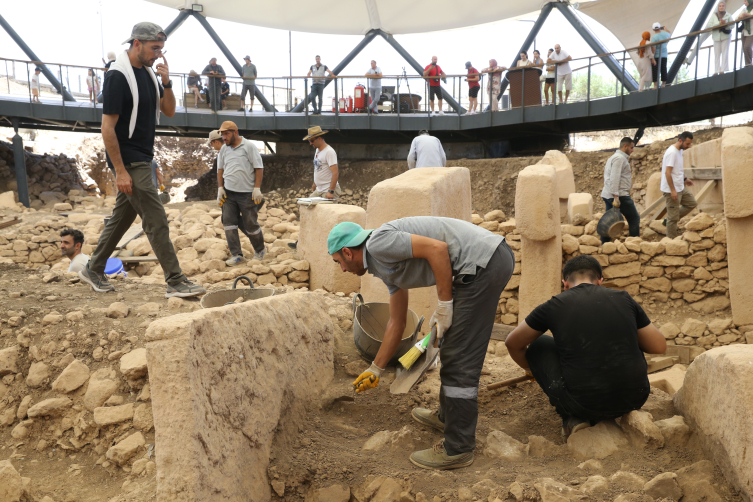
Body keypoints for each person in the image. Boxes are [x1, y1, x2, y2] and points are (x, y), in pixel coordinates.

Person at [329, 217, 514, 469]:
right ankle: (447, 416)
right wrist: (376, 368)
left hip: (484, 263)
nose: (341, 269)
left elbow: (437, 249)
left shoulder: (379, 243)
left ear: (347, 252)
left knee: (461, 357)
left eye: (338, 262)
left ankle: (458, 448)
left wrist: (445, 304)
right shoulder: (382, 264)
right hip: (479, 265)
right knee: (449, 346)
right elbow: (396, 321)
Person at [79, 22, 205, 299]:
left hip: (144, 157)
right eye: (154, 48)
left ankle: (94, 268)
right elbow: (107, 129)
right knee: (156, 218)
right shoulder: (117, 77)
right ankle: (175, 280)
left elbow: (169, 111)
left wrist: (167, 82)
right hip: (130, 161)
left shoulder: (148, 73)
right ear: (137, 43)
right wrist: (120, 171)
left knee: (122, 218)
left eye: (161, 49)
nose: (158, 55)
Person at [505, 255, 666, 437]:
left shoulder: (553, 306)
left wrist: (532, 370)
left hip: (584, 405)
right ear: (600, 281)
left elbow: (512, 343)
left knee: (539, 343)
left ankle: (572, 418)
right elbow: (659, 347)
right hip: (636, 398)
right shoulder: (624, 298)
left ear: (565, 283)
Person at [216, 121, 265, 265]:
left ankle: (260, 250)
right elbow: (220, 170)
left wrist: (257, 188)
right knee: (229, 223)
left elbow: (258, 167)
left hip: (246, 194)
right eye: (222, 135)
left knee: (250, 224)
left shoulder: (248, 146)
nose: (224, 138)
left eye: (226, 134)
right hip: (229, 194)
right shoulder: (224, 149)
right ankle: (237, 254)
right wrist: (220, 188)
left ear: (235, 133)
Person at [600, 137, 639, 243]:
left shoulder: (614, 157)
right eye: (631, 148)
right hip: (619, 195)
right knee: (634, 218)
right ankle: (635, 244)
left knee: (609, 221)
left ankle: (605, 245)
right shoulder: (619, 159)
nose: (632, 150)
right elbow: (614, 178)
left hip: (609, 194)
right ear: (625, 146)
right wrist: (616, 197)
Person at [661, 131, 697, 239]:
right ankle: (671, 242)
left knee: (692, 203)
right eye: (687, 144)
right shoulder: (672, 153)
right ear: (680, 140)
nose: (689, 146)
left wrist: (685, 179)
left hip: (680, 186)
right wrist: (672, 190)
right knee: (672, 219)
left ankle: (669, 220)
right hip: (671, 189)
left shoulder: (680, 150)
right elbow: (667, 173)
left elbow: (677, 170)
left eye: (690, 144)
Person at [303, 126, 340, 199]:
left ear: (319, 138)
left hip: (327, 190)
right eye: (309, 141)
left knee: (326, 210)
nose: (310, 143)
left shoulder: (329, 152)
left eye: (312, 141)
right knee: (307, 205)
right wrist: (315, 183)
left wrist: (331, 191)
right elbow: (319, 168)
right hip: (319, 189)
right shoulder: (318, 150)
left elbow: (335, 173)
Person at [650, 23, 671, 88]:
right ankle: (664, 84)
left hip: (656, 55)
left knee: (655, 69)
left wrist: (652, 58)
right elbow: (669, 33)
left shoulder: (654, 38)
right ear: (660, 28)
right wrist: (666, 29)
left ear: (653, 29)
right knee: (663, 68)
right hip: (664, 55)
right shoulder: (665, 34)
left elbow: (653, 49)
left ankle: (655, 85)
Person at [738, 0, 753, 66]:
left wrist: (747, 15)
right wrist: (741, 17)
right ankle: (748, 63)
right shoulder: (744, 9)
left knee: (747, 46)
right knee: (744, 47)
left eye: (745, 1)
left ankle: (749, 62)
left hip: (751, 30)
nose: (744, 3)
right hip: (744, 31)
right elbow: (737, 17)